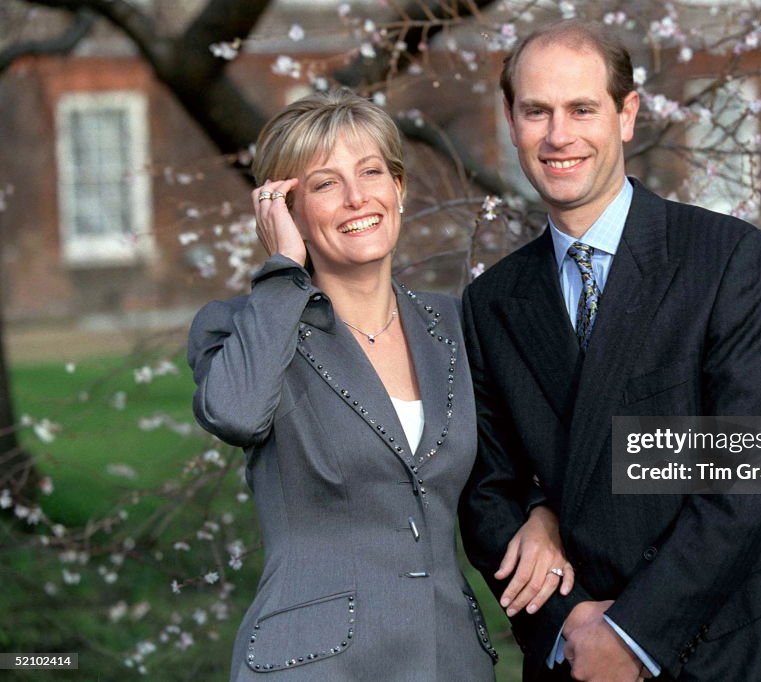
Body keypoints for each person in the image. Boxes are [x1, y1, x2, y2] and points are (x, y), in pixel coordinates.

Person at [459, 20, 761, 682]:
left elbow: (748, 470)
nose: (558, 135)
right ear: (511, 122)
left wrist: (632, 634)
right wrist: (568, 621)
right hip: (575, 658)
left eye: (582, 109)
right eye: (536, 111)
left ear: (626, 115)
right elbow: (488, 491)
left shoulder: (728, 260)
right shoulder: (491, 303)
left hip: (727, 650)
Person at [187, 89, 572, 682]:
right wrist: (283, 271)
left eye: (371, 172)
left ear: (399, 188)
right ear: (287, 210)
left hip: (450, 658)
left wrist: (542, 514)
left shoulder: (454, 324)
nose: (356, 197)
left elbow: (511, 465)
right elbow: (236, 414)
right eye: (325, 184)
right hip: (314, 666)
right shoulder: (245, 329)